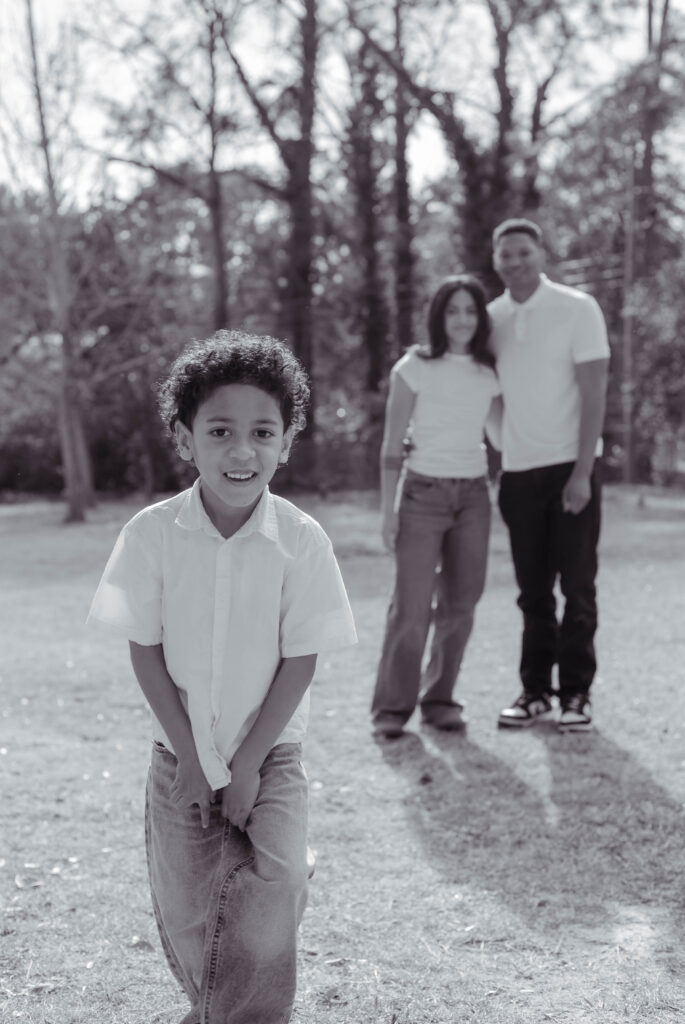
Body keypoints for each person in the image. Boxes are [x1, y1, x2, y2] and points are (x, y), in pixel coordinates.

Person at [87, 330, 357, 1024]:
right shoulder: (151, 534)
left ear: (286, 442)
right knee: (188, 909)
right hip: (176, 751)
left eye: (262, 433)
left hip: (272, 752)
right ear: (185, 439)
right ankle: (219, 1008)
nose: (242, 451)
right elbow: (145, 651)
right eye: (220, 432)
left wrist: (246, 766)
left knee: (278, 877)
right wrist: (191, 758)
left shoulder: (301, 540)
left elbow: (302, 658)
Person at [488, 218, 610, 732]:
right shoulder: (490, 318)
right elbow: (487, 393)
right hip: (518, 476)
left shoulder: (578, 308)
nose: (515, 262)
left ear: (541, 254)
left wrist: (582, 471)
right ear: (495, 261)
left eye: (523, 252)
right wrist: (503, 442)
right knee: (532, 593)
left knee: (578, 588)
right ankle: (535, 692)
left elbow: (595, 393)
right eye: (505, 254)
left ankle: (575, 695)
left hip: (570, 469)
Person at [371, 275, 501, 739]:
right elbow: (391, 447)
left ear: (480, 318)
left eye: (470, 310)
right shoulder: (413, 368)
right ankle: (391, 709)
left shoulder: (489, 372)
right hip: (421, 495)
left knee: (461, 604)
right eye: (453, 310)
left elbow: (502, 435)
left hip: (474, 497)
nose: (462, 319)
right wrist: (388, 512)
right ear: (438, 316)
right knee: (411, 607)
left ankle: (440, 700)